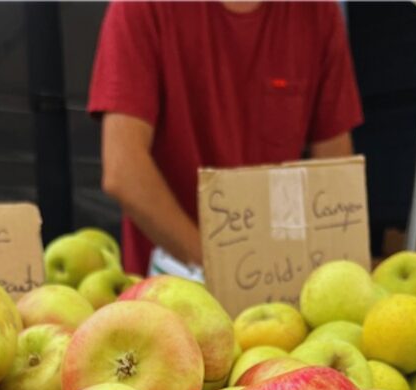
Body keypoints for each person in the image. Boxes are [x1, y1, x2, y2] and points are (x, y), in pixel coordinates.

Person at [88, 1, 364, 276]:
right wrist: (220, 271)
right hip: (169, 288)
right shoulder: (142, 8)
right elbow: (123, 171)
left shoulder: (317, 12)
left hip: (282, 286)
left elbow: (335, 175)